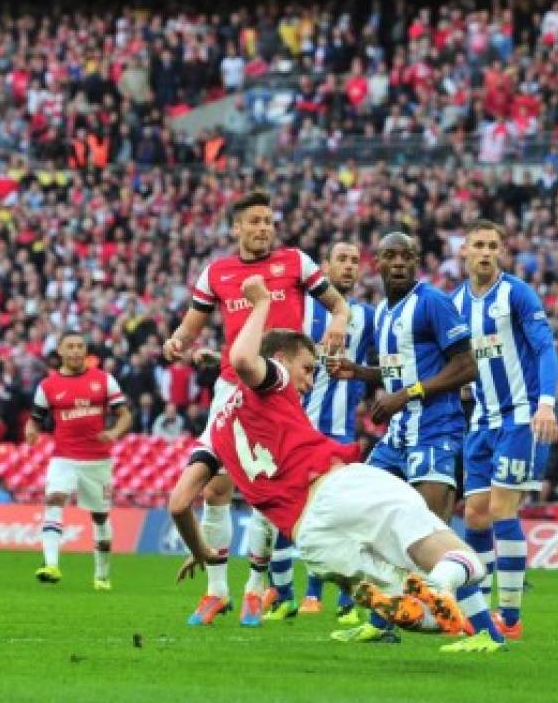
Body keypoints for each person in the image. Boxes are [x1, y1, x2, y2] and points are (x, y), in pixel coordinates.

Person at [168, 275, 487, 651]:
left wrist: (200, 548)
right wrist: (261, 305)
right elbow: (241, 359)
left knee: (414, 609)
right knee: (465, 561)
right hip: (336, 488)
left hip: (313, 540)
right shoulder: (275, 378)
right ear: (282, 360)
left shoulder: (215, 432)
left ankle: (426, 592)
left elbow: (177, 503)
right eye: (307, 368)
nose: (308, 380)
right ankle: (442, 582)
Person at [162, 191, 351, 627]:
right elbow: (189, 329)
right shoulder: (217, 273)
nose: (264, 228)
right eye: (255, 221)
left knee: (266, 491)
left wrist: (339, 321)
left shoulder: (296, 263)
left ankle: (255, 587)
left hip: (278, 392)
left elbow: (337, 304)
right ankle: (216, 591)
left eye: (269, 220)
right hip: (231, 390)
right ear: (236, 228)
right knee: (214, 491)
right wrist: (177, 343)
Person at [328, 231, 481, 646]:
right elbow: (399, 370)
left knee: (428, 533)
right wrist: (358, 372)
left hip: (435, 429)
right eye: (390, 256)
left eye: (407, 256)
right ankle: (383, 623)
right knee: (364, 518)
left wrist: (405, 395)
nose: (398, 262)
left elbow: (466, 367)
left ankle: (484, 628)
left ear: (417, 262)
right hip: (397, 436)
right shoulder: (382, 312)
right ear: (376, 263)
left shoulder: (432, 302)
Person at [451, 219, 558, 643]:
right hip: (481, 419)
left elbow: (544, 347)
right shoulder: (456, 303)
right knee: (475, 513)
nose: (485, 252)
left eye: (492, 245)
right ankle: (478, 610)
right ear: (464, 250)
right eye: (477, 244)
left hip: (519, 416)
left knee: (501, 508)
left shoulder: (516, 293)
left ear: (499, 250)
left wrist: (545, 404)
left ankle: (510, 616)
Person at [264, 241, 376, 625]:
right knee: (288, 512)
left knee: (338, 515)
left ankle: (340, 599)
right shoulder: (301, 308)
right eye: (341, 259)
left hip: (341, 431)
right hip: (295, 428)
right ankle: (284, 595)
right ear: (324, 266)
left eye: (354, 261)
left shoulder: (367, 317)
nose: (348, 267)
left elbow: (384, 365)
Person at [26, 332, 132, 589]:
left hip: (97, 460)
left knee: (99, 517)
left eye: (80, 346)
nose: (75, 351)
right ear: (60, 351)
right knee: (54, 499)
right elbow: (35, 418)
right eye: (70, 347)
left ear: (86, 351)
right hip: (63, 457)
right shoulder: (47, 386)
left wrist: (115, 433)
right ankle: (51, 564)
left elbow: (125, 415)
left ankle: (102, 575)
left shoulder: (104, 380)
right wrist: (31, 430)